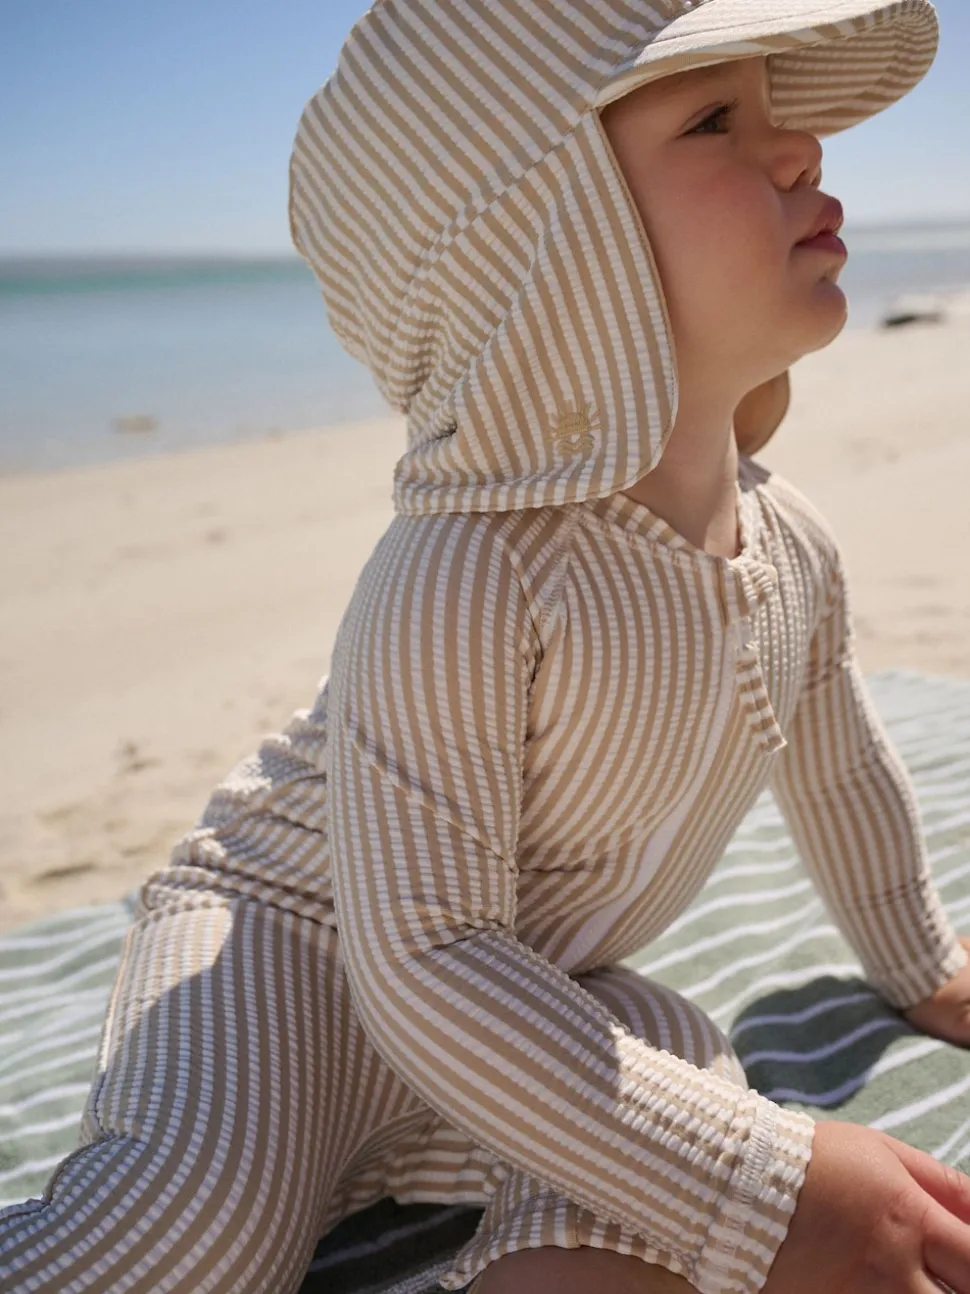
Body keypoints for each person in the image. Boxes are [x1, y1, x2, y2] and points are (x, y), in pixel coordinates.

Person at [4, 1, 970, 1292]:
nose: (799, 147)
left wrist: (922, 965)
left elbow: (838, 770)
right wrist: (763, 1183)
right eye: (713, 120)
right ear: (548, 250)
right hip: (296, 960)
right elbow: (424, 955)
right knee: (188, 1237)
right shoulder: (471, 567)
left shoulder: (791, 547)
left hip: (527, 988)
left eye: (773, 109)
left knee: (686, 1076)